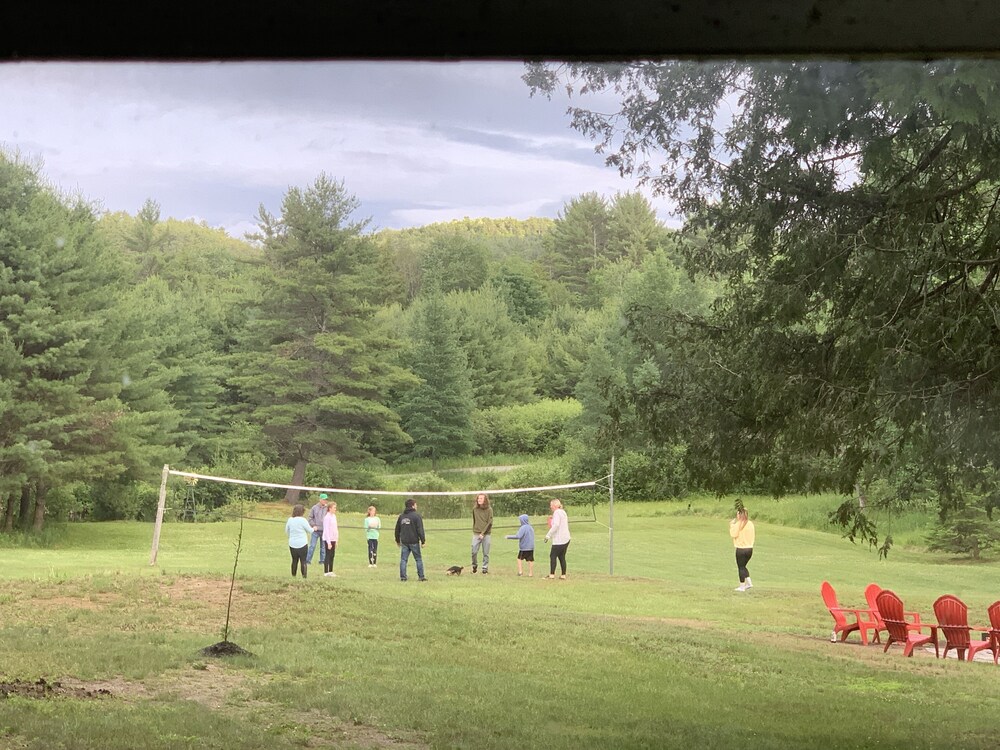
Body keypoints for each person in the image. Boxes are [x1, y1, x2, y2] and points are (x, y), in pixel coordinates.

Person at [394, 498, 427, 582]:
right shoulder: (417, 516)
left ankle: (403, 577)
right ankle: (421, 576)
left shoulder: (402, 516)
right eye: (416, 504)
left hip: (404, 541)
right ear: (412, 505)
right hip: (414, 541)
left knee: (403, 560)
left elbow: (397, 529)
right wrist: (423, 541)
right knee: (418, 559)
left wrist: (397, 540)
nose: (417, 506)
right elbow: (420, 529)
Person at [543, 498, 570, 579]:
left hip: (560, 540)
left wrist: (548, 535)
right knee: (562, 556)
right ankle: (563, 575)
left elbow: (556, 525)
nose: (550, 507)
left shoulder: (557, 512)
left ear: (555, 505)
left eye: (551, 505)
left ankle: (552, 575)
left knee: (553, 556)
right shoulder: (563, 512)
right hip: (566, 538)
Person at [729, 508, 756, 591]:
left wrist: (731, 525)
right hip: (749, 549)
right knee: (743, 566)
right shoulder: (750, 524)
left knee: (740, 567)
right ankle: (749, 582)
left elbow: (733, 534)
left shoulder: (739, 524)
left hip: (741, 549)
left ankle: (742, 586)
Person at [285, 503, 313, 579]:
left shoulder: (290, 520)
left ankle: (293, 576)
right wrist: (314, 528)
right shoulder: (303, 520)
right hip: (302, 543)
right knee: (303, 561)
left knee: (294, 560)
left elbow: (287, 530)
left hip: (292, 543)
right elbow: (309, 530)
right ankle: (304, 577)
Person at [471, 492, 493, 574]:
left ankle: (485, 568)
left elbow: (490, 522)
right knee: (474, 551)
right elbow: (474, 520)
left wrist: (483, 533)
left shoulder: (489, 510)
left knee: (486, 552)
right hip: (476, 533)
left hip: (486, 534)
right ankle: (474, 565)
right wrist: (476, 531)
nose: (479, 500)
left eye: (481, 498)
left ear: (485, 500)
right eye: (478, 498)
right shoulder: (475, 509)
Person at [306, 493, 329, 565]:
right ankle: (308, 560)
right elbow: (310, 518)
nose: (325, 501)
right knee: (312, 546)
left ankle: (322, 561)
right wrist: (313, 525)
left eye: (326, 499)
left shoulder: (327, 508)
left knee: (323, 547)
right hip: (315, 530)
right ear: (320, 500)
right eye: (324, 499)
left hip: (324, 531)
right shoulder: (314, 508)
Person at [322, 500, 339, 577]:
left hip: (333, 538)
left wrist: (336, 540)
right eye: (334, 508)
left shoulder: (334, 516)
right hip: (327, 539)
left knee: (332, 555)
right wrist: (328, 542)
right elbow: (326, 530)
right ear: (330, 508)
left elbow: (335, 528)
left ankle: (331, 570)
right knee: (328, 555)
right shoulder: (327, 517)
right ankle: (326, 571)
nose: (335, 509)